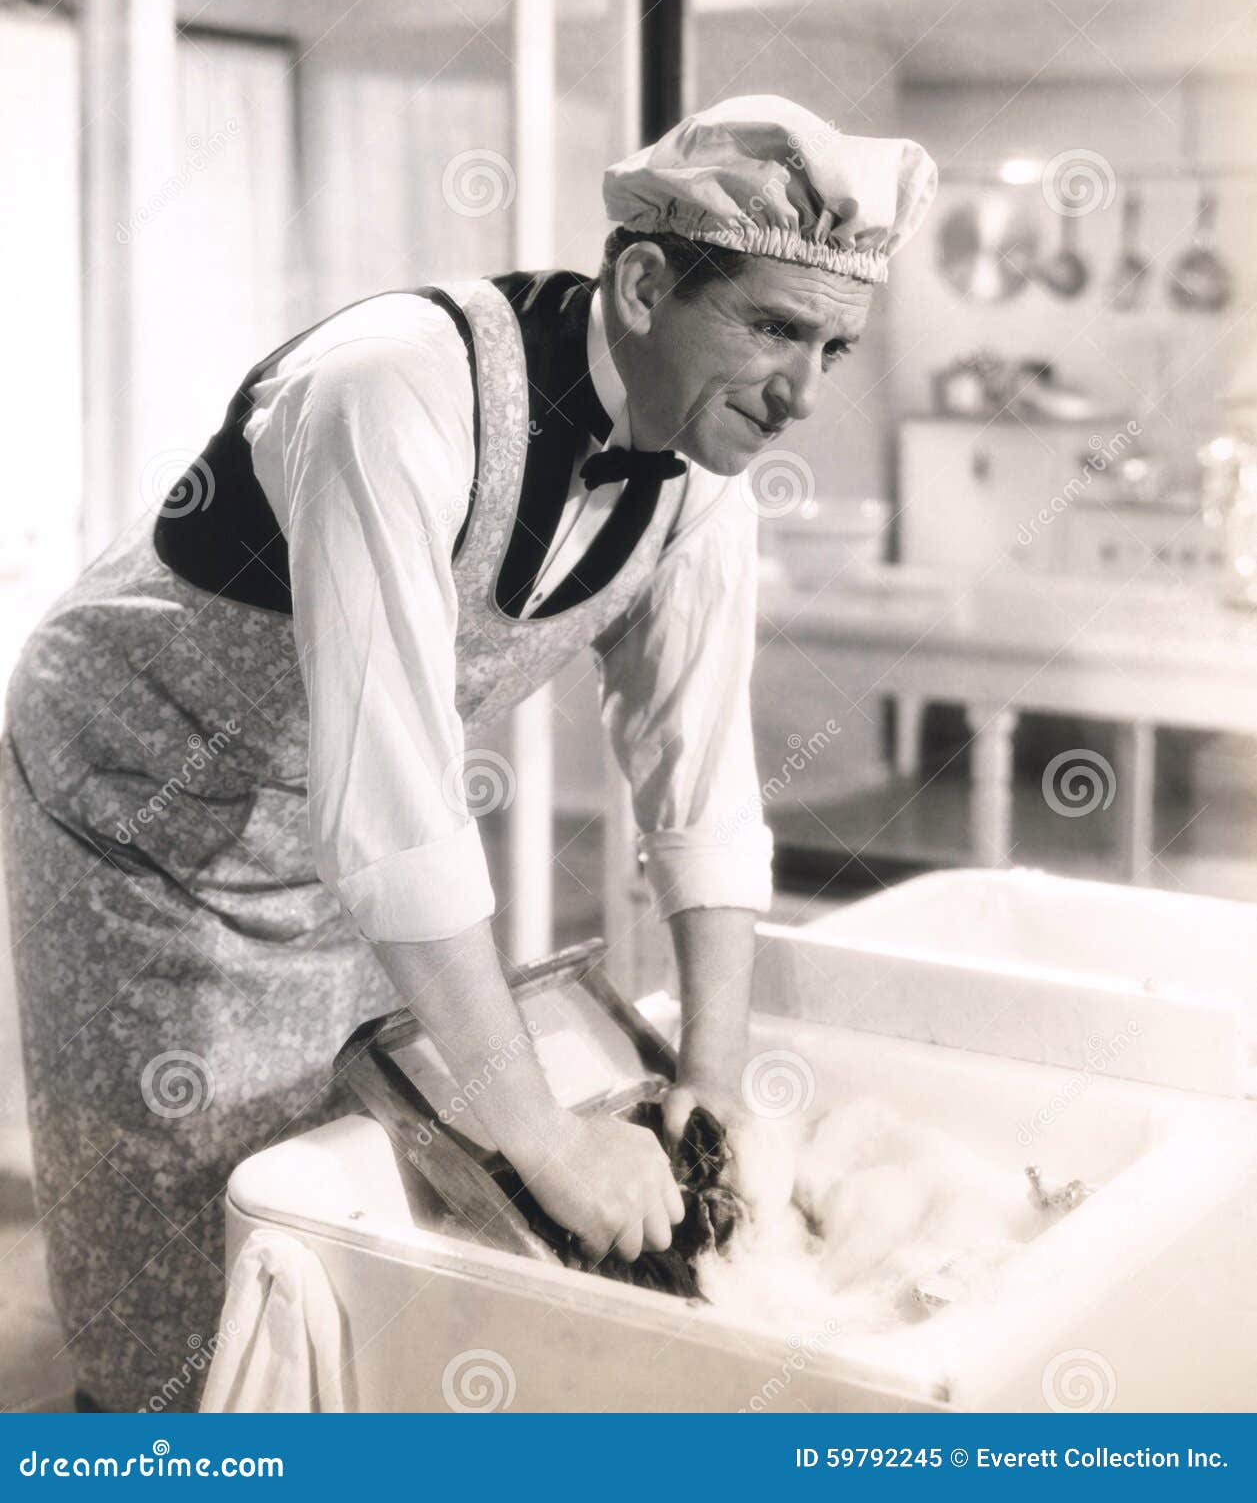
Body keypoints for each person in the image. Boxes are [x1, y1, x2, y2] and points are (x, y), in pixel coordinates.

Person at [1, 94, 936, 1411]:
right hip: (144, 811)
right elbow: (393, 808)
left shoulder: (703, 481)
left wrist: (714, 1074)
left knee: (351, 1196)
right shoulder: (390, 390)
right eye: (775, 328)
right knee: (188, 1247)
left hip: (336, 826)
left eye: (833, 346)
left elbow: (702, 781)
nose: (803, 394)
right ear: (645, 283)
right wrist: (543, 1135)